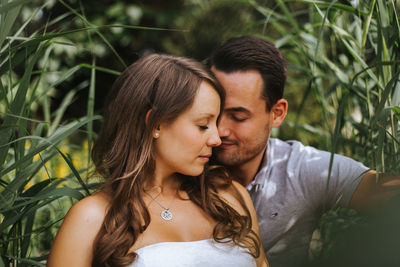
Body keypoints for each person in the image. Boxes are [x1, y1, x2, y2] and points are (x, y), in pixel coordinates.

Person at [47, 54, 269, 267]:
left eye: (215, 124)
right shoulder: (92, 218)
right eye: (203, 125)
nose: (216, 138)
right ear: (155, 124)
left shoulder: (230, 198)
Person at [208, 36, 400, 267]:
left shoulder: (304, 170)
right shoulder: (181, 162)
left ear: (277, 113)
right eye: (213, 113)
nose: (219, 130)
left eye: (239, 117)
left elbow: (387, 193)